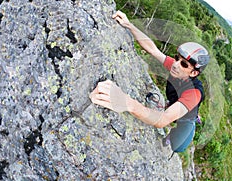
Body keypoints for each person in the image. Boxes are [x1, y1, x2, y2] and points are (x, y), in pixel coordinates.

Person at [89, 11, 210, 153]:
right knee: (173, 110)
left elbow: (162, 121)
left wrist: (126, 102)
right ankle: (175, 111)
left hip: (186, 119)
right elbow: (153, 49)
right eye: (177, 58)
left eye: (184, 64)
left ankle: (176, 133)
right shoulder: (176, 68)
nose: (176, 64)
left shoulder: (194, 93)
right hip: (176, 102)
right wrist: (129, 25)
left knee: (178, 146)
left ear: (194, 73)